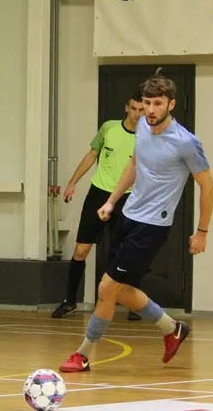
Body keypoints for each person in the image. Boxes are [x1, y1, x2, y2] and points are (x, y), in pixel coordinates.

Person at [58, 72, 213, 373]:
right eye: (146, 103)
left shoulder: (186, 142)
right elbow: (134, 164)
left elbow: (208, 187)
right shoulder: (142, 126)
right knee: (119, 289)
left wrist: (202, 232)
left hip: (152, 225)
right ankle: (172, 329)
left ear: (171, 104)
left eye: (158, 104)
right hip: (129, 215)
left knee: (107, 287)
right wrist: (111, 201)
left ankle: (83, 354)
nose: (151, 110)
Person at [52, 92, 144, 320]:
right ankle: (70, 301)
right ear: (127, 108)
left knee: (125, 252)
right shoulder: (109, 128)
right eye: (134, 108)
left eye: (141, 110)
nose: (137, 114)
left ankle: (133, 304)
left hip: (127, 197)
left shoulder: (148, 136)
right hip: (98, 193)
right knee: (81, 250)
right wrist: (73, 182)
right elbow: (92, 154)